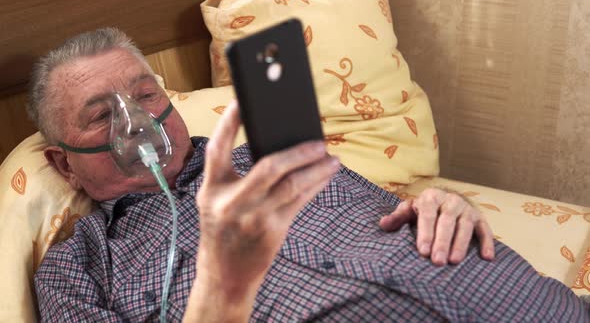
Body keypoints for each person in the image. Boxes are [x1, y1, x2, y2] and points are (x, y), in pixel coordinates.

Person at [31, 28, 587, 322]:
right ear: (63, 163)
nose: (137, 122)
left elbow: (391, 214)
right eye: (103, 115)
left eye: (145, 95)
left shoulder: (277, 152)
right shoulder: (77, 269)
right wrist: (222, 288)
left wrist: (443, 205)